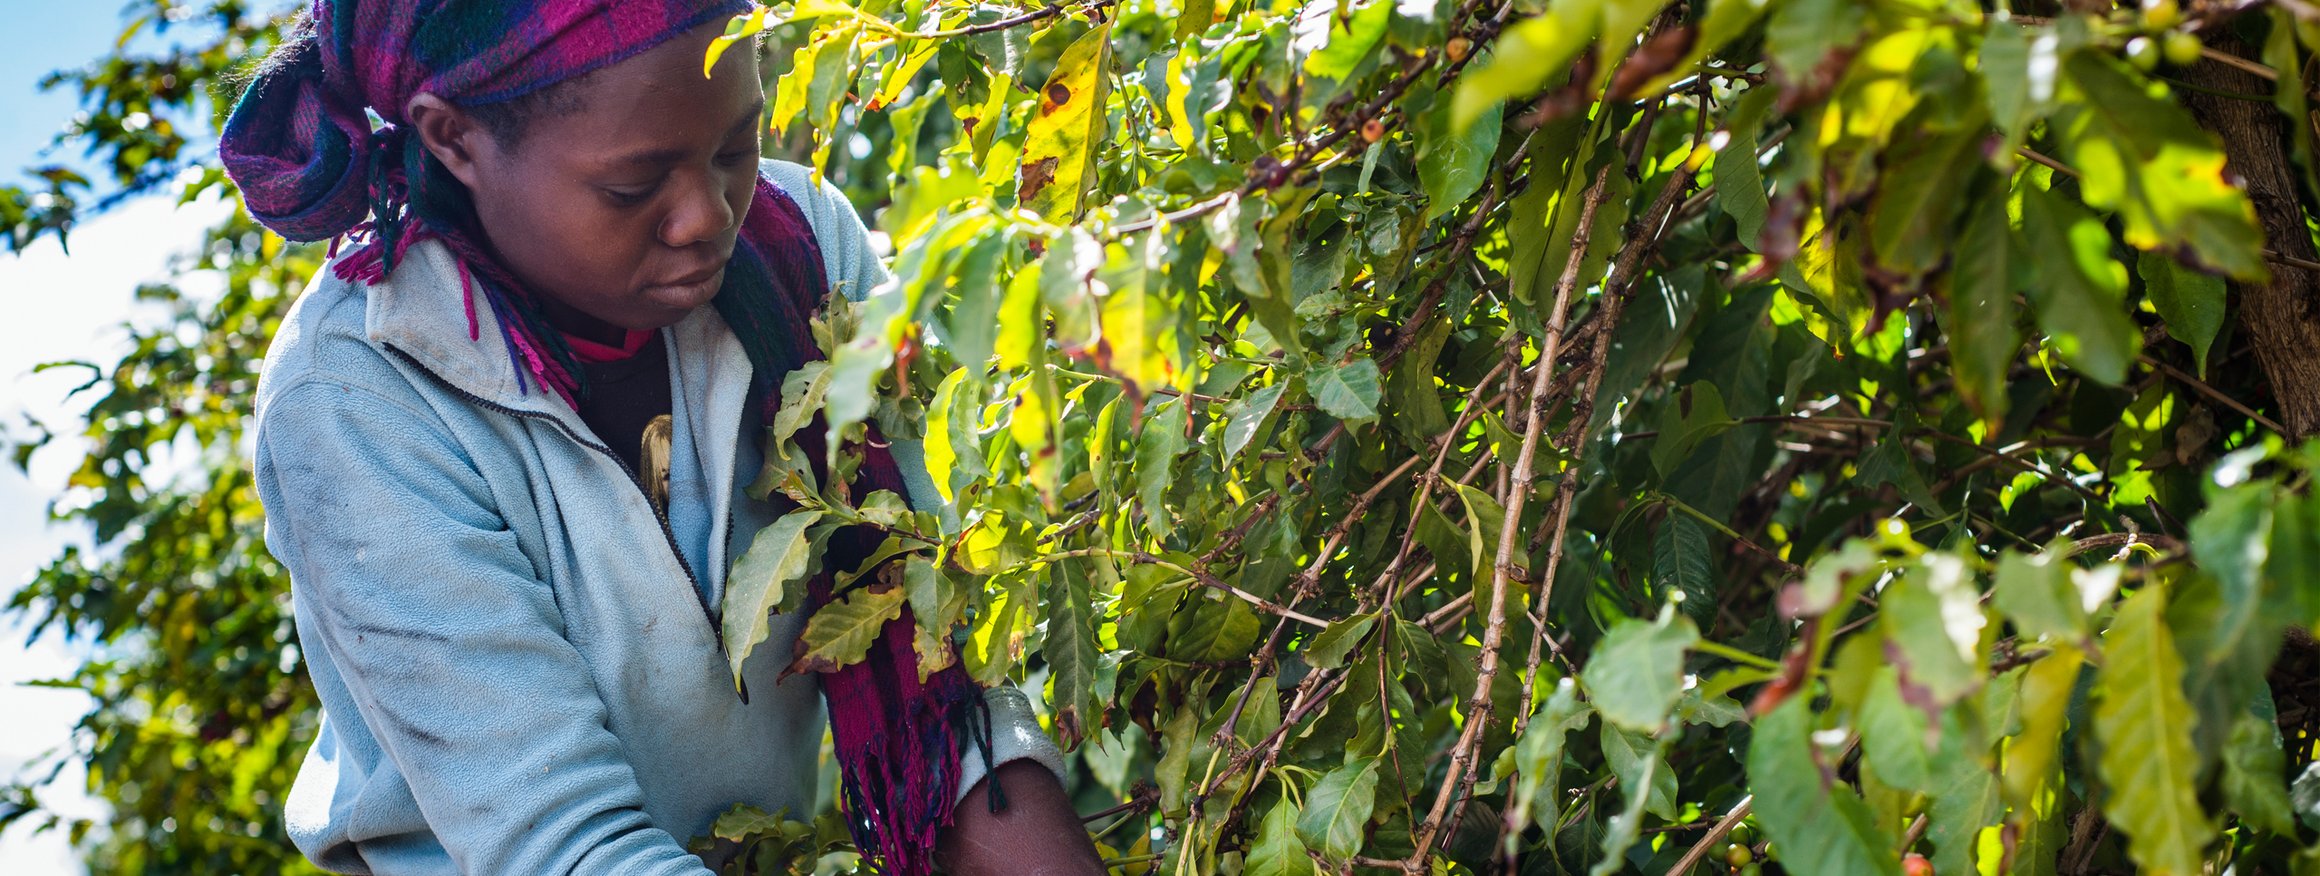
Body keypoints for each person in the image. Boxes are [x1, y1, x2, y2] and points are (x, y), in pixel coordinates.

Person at [219, 2, 1107, 873]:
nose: (709, 217)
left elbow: (941, 676)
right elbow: (562, 847)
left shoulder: (800, 250)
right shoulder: (354, 397)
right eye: (634, 188)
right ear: (453, 139)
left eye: (735, 149)